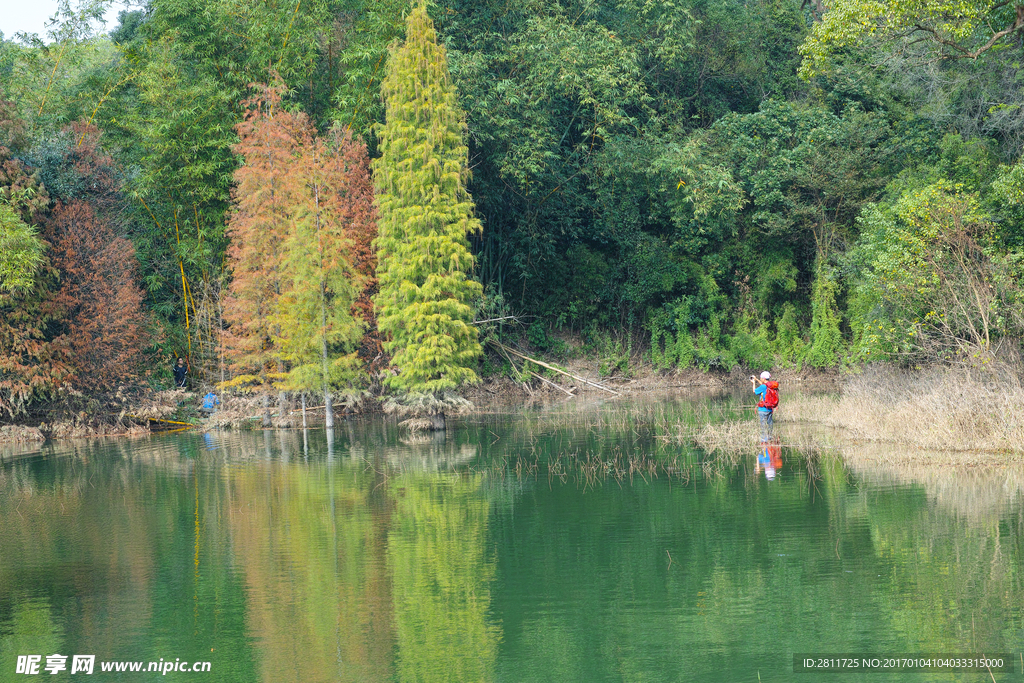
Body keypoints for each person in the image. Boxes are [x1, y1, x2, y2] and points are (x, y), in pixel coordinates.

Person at [750, 370, 779, 441]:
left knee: (763, 426)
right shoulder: (771, 385)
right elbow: (763, 385)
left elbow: (755, 391)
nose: (760, 379)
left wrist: (753, 383)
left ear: (764, 378)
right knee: (770, 424)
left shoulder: (763, 386)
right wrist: (756, 379)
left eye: (760, 378)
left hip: (763, 409)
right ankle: (770, 438)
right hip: (770, 409)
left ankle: (764, 441)